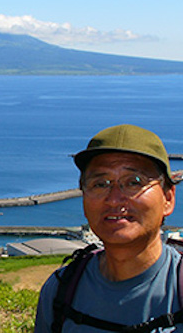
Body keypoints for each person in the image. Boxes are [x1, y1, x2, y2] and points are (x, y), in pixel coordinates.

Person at [34, 124, 182, 332]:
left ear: (168, 198)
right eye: (100, 184)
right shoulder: (60, 291)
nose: (114, 199)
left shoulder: (178, 288)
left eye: (134, 182)